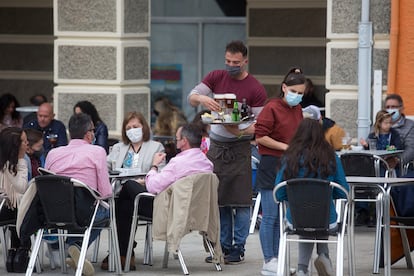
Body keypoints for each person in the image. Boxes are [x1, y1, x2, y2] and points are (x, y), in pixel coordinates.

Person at [187, 40, 267, 264]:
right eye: (228, 61)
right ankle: (221, 246)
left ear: (245, 61)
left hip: (240, 147)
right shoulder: (216, 77)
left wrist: (239, 131)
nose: (231, 65)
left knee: (240, 201)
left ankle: (238, 247)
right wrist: (204, 99)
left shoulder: (255, 88)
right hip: (217, 147)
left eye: (236, 62)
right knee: (219, 199)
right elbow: (192, 96)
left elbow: (260, 125)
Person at [275, 118, 349, 276]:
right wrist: (327, 194)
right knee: (319, 213)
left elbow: (279, 192)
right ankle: (324, 256)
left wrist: (298, 198)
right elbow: (343, 191)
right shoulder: (331, 157)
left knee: (306, 218)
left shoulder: (289, 158)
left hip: (295, 219)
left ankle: (302, 269)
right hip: (326, 220)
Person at [45, 113, 112, 276]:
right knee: (107, 211)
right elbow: (105, 192)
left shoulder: (52, 154)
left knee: (91, 208)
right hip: (85, 214)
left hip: (53, 214)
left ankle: (73, 248)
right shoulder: (97, 152)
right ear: (89, 133)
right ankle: (76, 247)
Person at [254, 67, 306, 275]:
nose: (297, 96)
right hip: (271, 164)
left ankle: (278, 258)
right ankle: (269, 260)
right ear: (284, 88)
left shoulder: (298, 109)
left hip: (289, 165)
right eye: (294, 91)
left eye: (301, 93)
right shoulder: (272, 107)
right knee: (270, 216)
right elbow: (260, 137)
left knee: (281, 216)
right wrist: (286, 147)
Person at [102, 111, 165, 271]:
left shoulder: (156, 147)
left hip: (145, 194)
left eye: (135, 126)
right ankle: (126, 252)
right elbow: (106, 169)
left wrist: (142, 181)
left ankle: (121, 253)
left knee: (129, 188)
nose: (132, 130)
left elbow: (162, 174)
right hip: (121, 194)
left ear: (143, 127)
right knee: (125, 203)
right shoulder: (118, 148)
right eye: (128, 127)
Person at [0, 127, 31, 273]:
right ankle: (23, 249)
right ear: (15, 146)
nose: (27, 144)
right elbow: (22, 187)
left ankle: (15, 250)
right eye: (24, 141)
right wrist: (20, 162)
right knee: (24, 207)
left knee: (18, 206)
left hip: (7, 208)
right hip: (5, 209)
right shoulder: (16, 162)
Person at [384, 94, 414, 169]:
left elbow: (411, 149)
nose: (390, 109)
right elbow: (372, 142)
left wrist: (398, 160)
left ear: (401, 108)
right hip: (379, 163)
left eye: (393, 107)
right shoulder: (378, 124)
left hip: (401, 167)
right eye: (387, 107)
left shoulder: (410, 125)